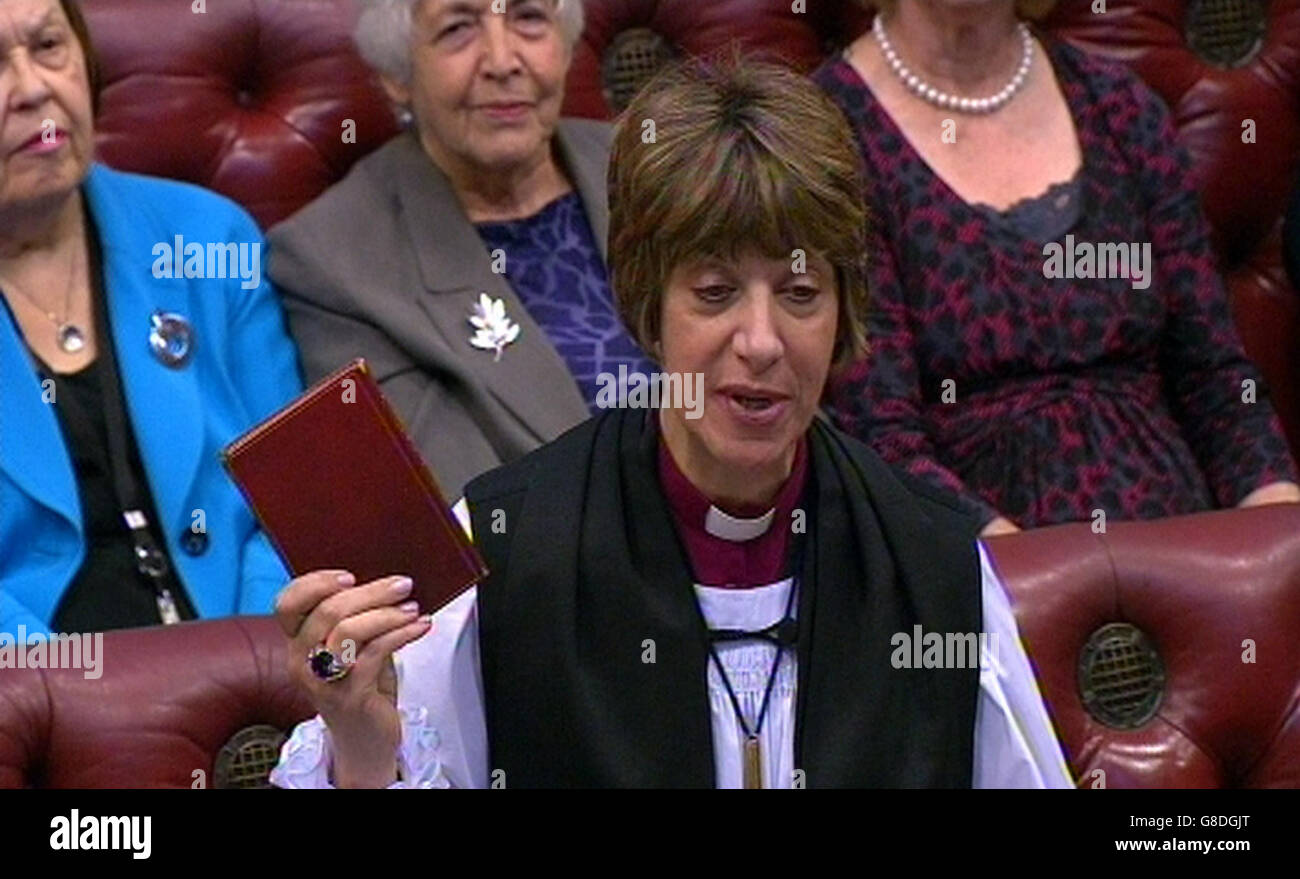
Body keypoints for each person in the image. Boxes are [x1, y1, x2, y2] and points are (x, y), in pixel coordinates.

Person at [269, 57, 1074, 789]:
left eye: (799, 294)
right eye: (716, 292)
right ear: (650, 305)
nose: (760, 344)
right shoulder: (506, 546)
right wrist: (364, 749)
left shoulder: (932, 562)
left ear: (844, 311)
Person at [813, 0, 1300, 536]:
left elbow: (1215, 377)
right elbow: (880, 437)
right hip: (979, 574)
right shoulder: (832, 139)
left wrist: (1275, 523)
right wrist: (1027, 586)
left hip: (1181, 553)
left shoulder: (1119, 107)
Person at [267, 0, 656, 496]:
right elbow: (449, 504)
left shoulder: (659, 167)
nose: (502, 60)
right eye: (457, 28)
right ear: (397, 74)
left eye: (529, 18)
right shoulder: (333, 261)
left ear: (565, 45)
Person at [0, 0, 302, 634]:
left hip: (253, 685)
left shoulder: (207, 239)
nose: (32, 89)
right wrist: (59, 705)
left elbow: (293, 494)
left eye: (49, 45)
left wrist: (254, 658)